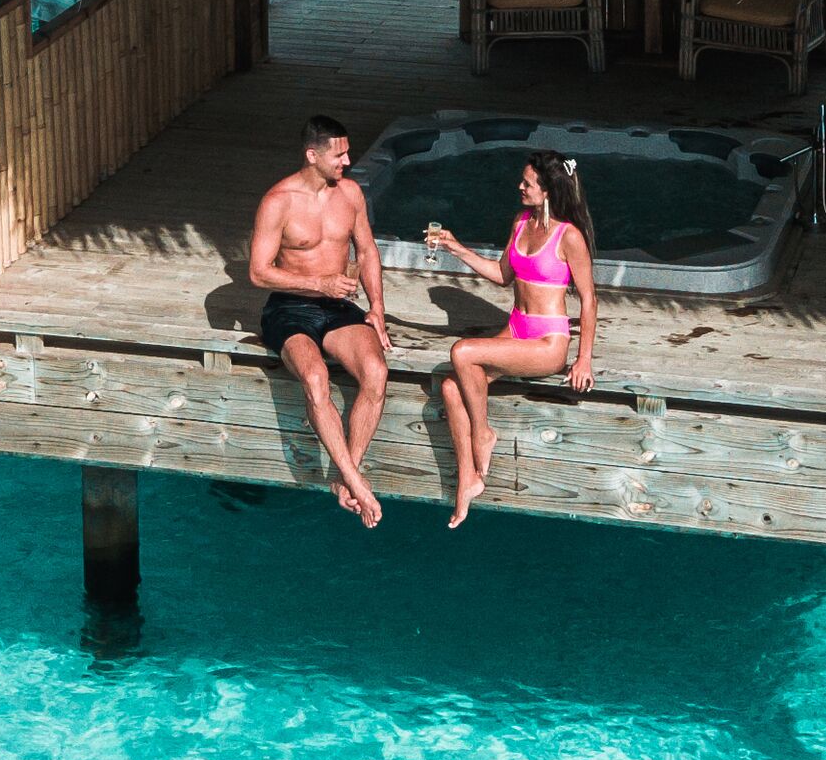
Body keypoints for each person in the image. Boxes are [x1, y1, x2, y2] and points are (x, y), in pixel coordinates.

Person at [424, 150, 597, 530]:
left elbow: (589, 299)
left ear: (548, 190)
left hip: (548, 341)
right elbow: (503, 274)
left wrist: (583, 358)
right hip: (516, 328)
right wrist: (456, 248)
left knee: (462, 351)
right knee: (451, 388)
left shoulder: (569, 236)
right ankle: (468, 478)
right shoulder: (521, 222)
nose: (520, 186)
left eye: (528, 183)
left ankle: (483, 434)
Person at [249, 116, 391, 526]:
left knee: (376, 372)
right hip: (290, 308)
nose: (347, 161)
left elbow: (367, 251)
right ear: (312, 155)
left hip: (337, 306)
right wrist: (318, 283)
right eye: (339, 154)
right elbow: (258, 272)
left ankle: (347, 476)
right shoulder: (278, 201)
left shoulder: (350, 193)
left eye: (348, 152)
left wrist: (377, 307)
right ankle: (356, 482)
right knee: (315, 378)